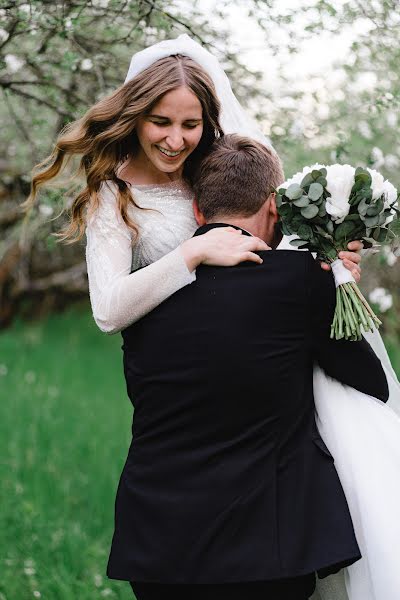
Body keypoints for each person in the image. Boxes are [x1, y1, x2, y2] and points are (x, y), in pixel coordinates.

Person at [24, 34, 400, 600]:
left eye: (190, 125)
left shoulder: (222, 169)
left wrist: (329, 256)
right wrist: (192, 253)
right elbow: (107, 311)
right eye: (160, 122)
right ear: (135, 116)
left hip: (247, 351)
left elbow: (265, 224)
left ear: (208, 123)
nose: (175, 140)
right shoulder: (114, 192)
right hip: (176, 353)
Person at [106, 134, 388, 600]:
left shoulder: (142, 295)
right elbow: (370, 380)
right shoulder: (301, 279)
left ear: (197, 211)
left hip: (157, 544)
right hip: (268, 548)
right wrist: (338, 288)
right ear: (275, 208)